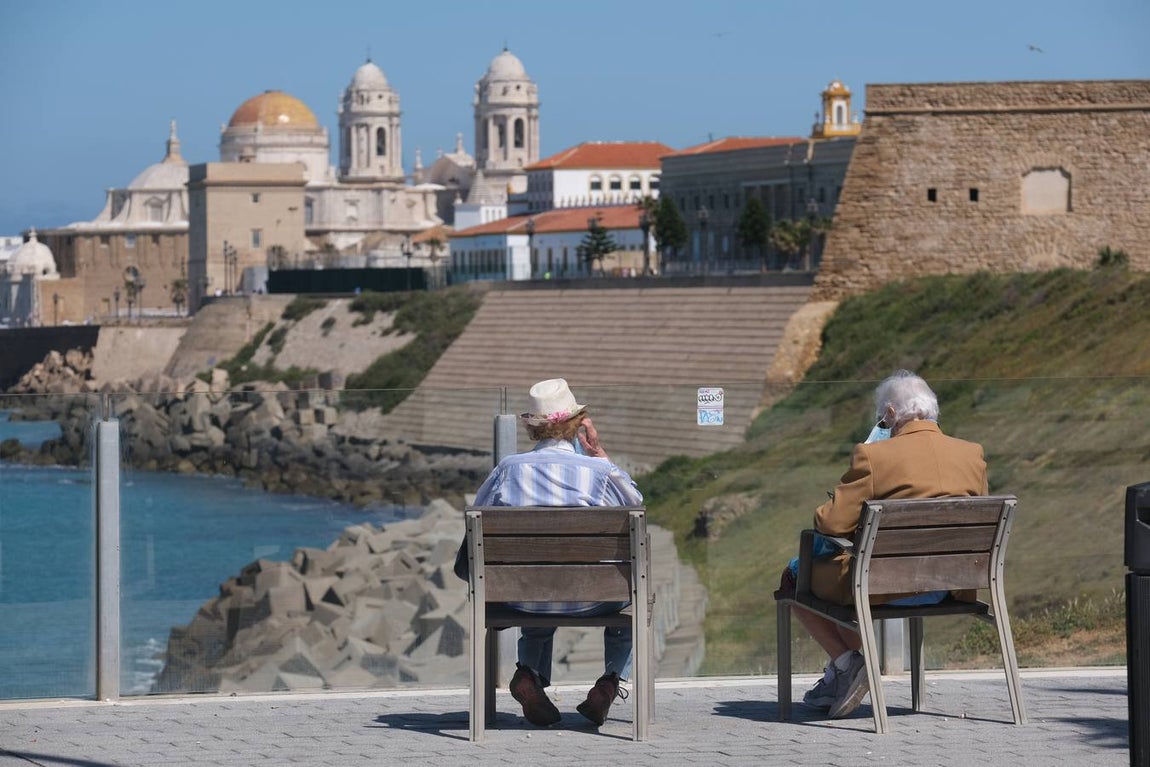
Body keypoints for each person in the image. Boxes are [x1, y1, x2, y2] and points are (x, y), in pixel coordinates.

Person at [776, 370, 988, 719]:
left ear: (890, 414)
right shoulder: (972, 454)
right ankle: (843, 673)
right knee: (857, 580)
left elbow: (829, 524)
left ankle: (847, 664)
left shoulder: (875, 456)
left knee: (792, 577)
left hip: (882, 588)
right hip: (949, 586)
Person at [472, 378, 643, 728]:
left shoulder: (508, 470)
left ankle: (528, 675)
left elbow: (478, 513)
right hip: (594, 597)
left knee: (540, 585)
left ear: (534, 427)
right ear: (577, 422)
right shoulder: (601, 472)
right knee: (631, 595)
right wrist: (600, 454)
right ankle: (610, 683)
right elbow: (636, 507)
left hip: (521, 597)